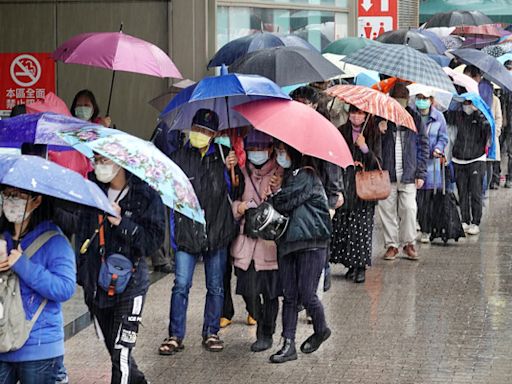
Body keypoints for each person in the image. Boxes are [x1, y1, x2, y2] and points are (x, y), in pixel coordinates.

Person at [56, 155, 165, 384]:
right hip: (97, 284)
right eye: (96, 160)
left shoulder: (145, 195)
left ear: (120, 162)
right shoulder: (91, 190)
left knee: (121, 353)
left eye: (104, 160)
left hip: (131, 285)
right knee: (115, 350)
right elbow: (73, 222)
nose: (99, 165)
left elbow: (152, 241)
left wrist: (121, 223)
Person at [159, 109, 240, 355]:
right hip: (187, 231)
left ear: (214, 135)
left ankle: (211, 332)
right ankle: (175, 335)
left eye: (206, 131)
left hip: (217, 231)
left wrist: (232, 171)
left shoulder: (224, 156)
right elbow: (170, 193)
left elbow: (235, 193)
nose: (200, 135)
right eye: (197, 129)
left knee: (216, 286)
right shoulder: (180, 157)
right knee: (181, 284)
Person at [0, 187, 76, 384]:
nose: (10, 200)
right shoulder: (2, 238)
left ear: (37, 201)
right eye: (7, 194)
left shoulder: (54, 241)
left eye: (18, 196)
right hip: (2, 342)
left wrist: (23, 265)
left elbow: (65, 288)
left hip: (39, 348)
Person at [268, 142, 331, 364]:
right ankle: (288, 344)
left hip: (311, 242)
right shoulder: (287, 176)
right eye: (277, 152)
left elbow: (286, 202)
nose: (280, 156)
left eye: (283, 151)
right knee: (290, 296)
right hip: (288, 243)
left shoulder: (306, 174)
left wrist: (277, 193)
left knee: (307, 293)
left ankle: (321, 329)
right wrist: (275, 191)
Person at [230, 130, 283, 352]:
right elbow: (230, 198)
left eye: (260, 149)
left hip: (268, 246)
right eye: (251, 149)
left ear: (270, 150)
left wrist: (277, 189)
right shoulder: (241, 171)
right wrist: (238, 208)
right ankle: (258, 317)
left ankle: (266, 333)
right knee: (247, 289)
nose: (256, 154)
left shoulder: (280, 173)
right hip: (246, 243)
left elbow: (285, 207)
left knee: (270, 293)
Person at [378, 82, 429, 261]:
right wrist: (379, 132)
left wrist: (421, 173)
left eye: (403, 102)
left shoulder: (414, 118)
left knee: (409, 208)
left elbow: (423, 145)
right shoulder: (382, 116)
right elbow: (373, 145)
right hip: (387, 173)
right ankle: (391, 245)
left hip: (409, 172)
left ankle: (409, 242)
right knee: (387, 210)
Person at [330, 105, 381, 283]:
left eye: (360, 113)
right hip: (346, 185)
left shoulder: (373, 132)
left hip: (365, 189)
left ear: (366, 115)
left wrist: (364, 148)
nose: (356, 116)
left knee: (362, 228)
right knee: (346, 226)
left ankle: (361, 267)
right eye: (353, 112)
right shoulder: (341, 131)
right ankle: (350, 263)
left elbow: (378, 162)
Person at [446, 99, 491, 235]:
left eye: (469, 103)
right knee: (462, 192)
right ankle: (465, 220)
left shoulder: (481, 117)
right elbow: (447, 117)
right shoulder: (458, 115)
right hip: (459, 159)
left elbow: (488, 129)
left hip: (476, 159)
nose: (467, 106)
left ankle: (476, 221)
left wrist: (478, 114)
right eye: (464, 103)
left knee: (476, 192)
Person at [412, 91, 449, 243]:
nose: (422, 101)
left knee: (429, 199)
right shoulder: (412, 116)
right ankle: (421, 225)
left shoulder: (439, 117)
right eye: (419, 98)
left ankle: (429, 229)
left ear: (431, 100)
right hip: (416, 162)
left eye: (425, 98)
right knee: (418, 199)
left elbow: (443, 137)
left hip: (432, 165)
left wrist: (439, 148)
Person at [499, 60, 512, 188]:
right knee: (497, 151)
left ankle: (509, 178)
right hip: (502, 123)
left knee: (510, 152)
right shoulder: (499, 85)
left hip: (509, 124)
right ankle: (496, 177)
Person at [488, 93, 503, 190]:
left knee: (489, 164)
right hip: (477, 140)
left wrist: (495, 132)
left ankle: (493, 180)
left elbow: (498, 118)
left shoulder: (494, 100)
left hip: (491, 136)